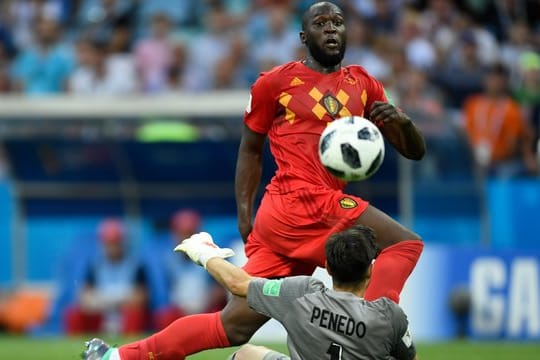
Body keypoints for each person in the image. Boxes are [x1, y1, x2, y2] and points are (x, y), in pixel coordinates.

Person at [83, 2, 425, 359]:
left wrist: (402, 124)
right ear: (303, 36)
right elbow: (250, 150)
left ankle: (118, 357)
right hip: (300, 200)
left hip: (297, 215)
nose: (331, 29)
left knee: (233, 326)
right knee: (404, 245)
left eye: (338, 22)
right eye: (321, 23)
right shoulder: (275, 83)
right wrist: (244, 214)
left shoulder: (364, 84)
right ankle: (374, 334)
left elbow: (414, 151)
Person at [84, 227, 417, 360]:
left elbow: (238, 284)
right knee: (247, 351)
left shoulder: (301, 292)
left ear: (327, 267)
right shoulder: (390, 316)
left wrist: (203, 253)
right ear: (371, 270)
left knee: (243, 353)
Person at [65, 219, 149, 335]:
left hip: (124, 312)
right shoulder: (95, 264)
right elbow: (84, 297)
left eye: (115, 243)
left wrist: (117, 301)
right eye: (109, 243)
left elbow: (141, 297)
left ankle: (128, 348)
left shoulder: (136, 264)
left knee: (135, 313)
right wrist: (102, 302)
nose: (112, 248)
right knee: (73, 313)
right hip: (101, 311)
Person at [462, 63, 538, 177]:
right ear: (485, 80)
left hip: (501, 162)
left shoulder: (511, 108)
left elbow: (516, 140)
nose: (496, 83)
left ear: (505, 82)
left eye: (499, 79)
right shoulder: (473, 104)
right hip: (473, 159)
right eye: (492, 78)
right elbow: (465, 132)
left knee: (506, 173)